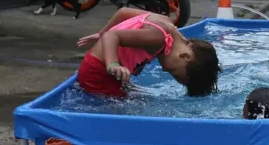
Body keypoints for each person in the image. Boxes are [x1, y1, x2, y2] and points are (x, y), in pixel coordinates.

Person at [76, 7, 221, 98]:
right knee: (125, 108)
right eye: (172, 71)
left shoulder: (165, 21)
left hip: (104, 71)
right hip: (97, 73)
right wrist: (113, 64)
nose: (164, 69)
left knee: (136, 95)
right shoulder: (158, 37)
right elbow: (112, 36)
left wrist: (101, 33)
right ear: (185, 57)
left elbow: (123, 12)